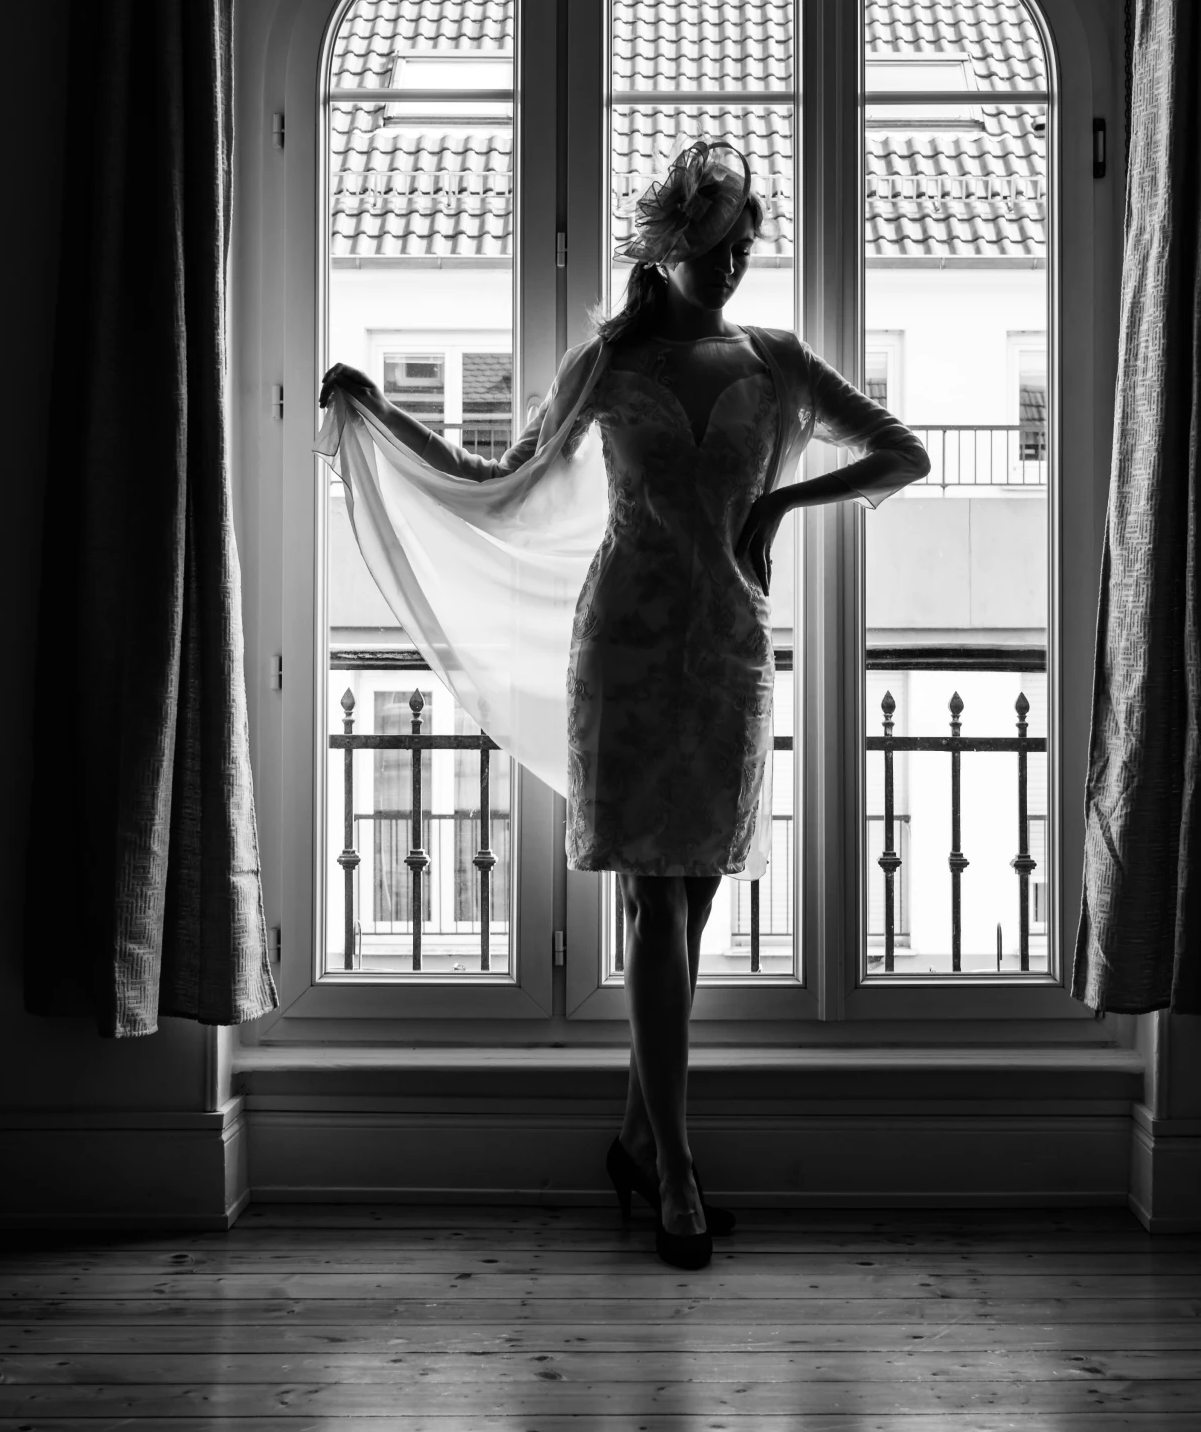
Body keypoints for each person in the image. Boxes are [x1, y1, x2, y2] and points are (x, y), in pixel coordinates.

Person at [321, 141, 929, 1268]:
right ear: (673, 239)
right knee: (658, 904)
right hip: (628, 650)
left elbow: (903, 453)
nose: (738, 257)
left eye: (749, 237)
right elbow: (495, 473)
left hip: (730, 652)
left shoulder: (779, 360)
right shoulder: (607, 362)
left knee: (689, 908)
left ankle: (636, 1142)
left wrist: (786, 496)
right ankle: (679, 1176)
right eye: (720, 236)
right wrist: (377, 417)